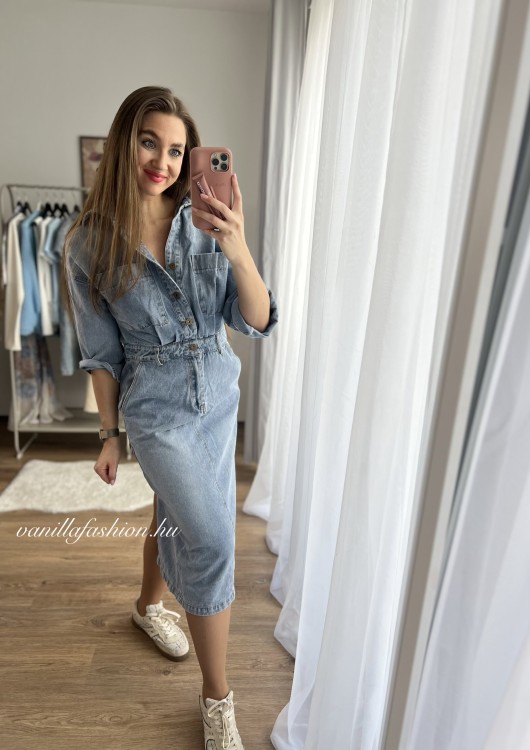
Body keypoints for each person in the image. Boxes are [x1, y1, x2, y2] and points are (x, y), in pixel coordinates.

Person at [63, 85, 278, 749]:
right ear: (124, 142)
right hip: (154, 407)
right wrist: (108, 435)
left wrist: (238, 246)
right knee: (210, 538)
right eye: (150, 142)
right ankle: (217, 698)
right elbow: (102, 354)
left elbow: (257, 319)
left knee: (173, 508)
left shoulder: (206, 218)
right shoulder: (87, 244)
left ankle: (147, 605)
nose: (163, 161)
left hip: (218, 394)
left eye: (178, 150)